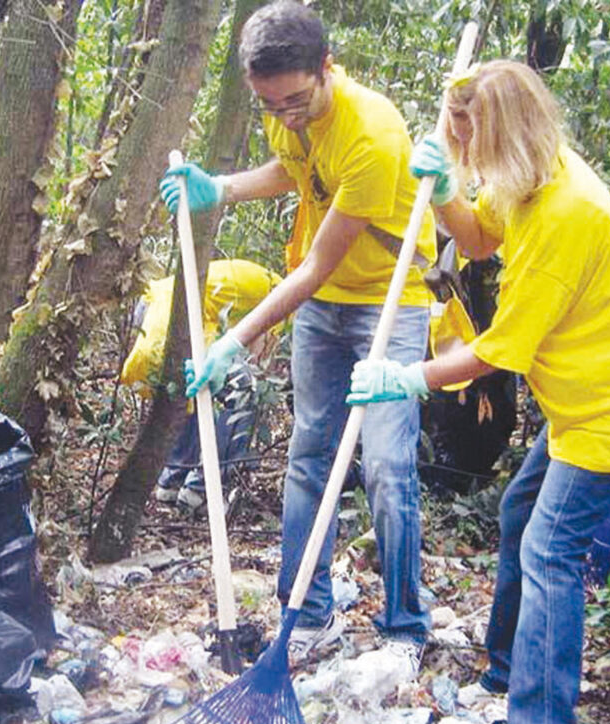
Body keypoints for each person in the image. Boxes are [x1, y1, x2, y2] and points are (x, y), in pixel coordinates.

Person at [349, 61, 610, 724]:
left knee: (550, 551)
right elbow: (475, 242)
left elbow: (502, 349)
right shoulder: (524, 175)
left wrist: (407, 377)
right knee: (519, 514)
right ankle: (507, 677)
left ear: (501, 131)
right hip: (580, 399)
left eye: (468, 137)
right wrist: (442, 193)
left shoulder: (566, 212)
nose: (462, 148)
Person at [158, 0, 437, 670]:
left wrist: (234, 341)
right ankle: (309, 615)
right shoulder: (288, 108)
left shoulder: (373, 135)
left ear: (326, 68)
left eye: (293, 100)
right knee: (309, 458)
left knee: (386, 467)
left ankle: (405, 630)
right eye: (269, 103)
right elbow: (295, 169)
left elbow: (319, 265)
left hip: (387, 305)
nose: (282, 114)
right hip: (322, 310)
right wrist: (218, 188)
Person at [118, 259, 281, 509]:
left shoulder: (268, 282)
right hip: (174, 316)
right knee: (244, 387)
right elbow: (259, 355)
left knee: (196, 385)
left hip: (154, 304)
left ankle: (173, 481)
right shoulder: (285, 298)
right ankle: (203, 489)